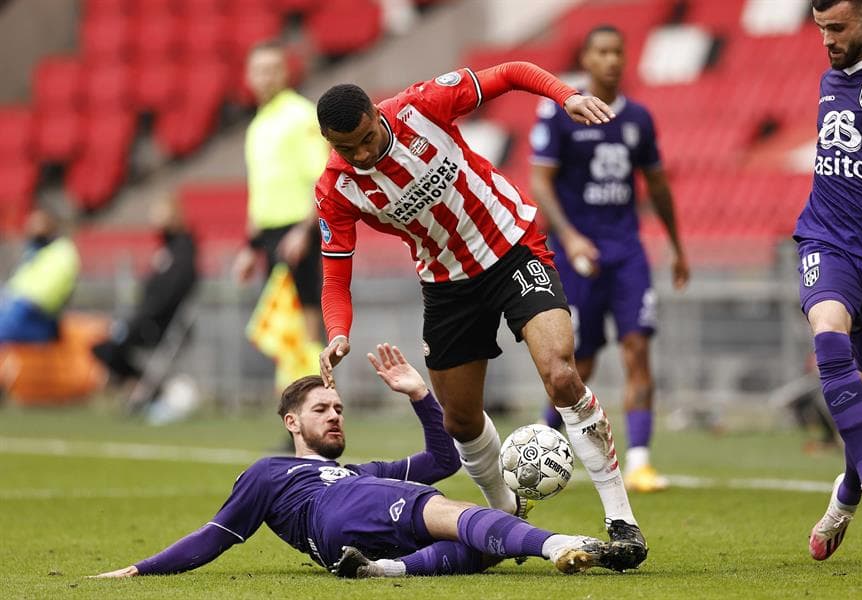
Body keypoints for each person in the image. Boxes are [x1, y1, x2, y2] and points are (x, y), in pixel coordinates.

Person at [314, 62, 646, 568]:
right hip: (447, 285)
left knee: (561, 375)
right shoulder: (335, 189)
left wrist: (566, 96)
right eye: (346, 148)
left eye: (365, 139)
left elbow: (511, 72)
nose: (360, 154)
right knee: (460, 418)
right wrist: (339, 333)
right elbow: (335, 278)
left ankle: (622, 522)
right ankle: (506, 512)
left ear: (376, 115)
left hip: (512, 247)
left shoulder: (422, 106)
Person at [91, 344, 631, 579]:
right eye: (321, 410)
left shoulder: (359, 472)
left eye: (339, 409)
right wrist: (141, 569)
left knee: (480, 546)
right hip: (339, 509)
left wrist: (419, 394)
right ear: (291, 423)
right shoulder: (271, 472)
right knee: (458, 514)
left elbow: (442, 457)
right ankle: (559, 544)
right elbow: (216, 534)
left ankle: (385, 570)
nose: (334, 416)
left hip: (346, 535)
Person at [530, 25, 689, 493]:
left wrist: (677, 246)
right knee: (577, 363)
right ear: (586, 58)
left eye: (618, 51)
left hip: (626, 252)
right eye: (601, 52)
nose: (612, 60)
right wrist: (570, 237)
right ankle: (543, 440)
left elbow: (657, 185)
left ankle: (639, 462)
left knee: (637, 348)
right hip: (578, 254)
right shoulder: (560, 112)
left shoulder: (638, 118)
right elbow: (541, 182)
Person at [797, 0, 862, 561]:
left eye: (836, 28)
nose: (827, 40)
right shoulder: (829, 78)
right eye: (820, 29)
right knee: (828, 329)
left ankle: (846, 496)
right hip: (827, 241)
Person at [232, 40, 330, 353]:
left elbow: (322, 178)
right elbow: (260, 189)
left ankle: (316, 379)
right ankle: (293, 381)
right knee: (281, 322)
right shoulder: (257, 125)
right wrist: (251, 246)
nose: (266, 77)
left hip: (299, 229)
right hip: (270, 234)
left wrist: (304, 230)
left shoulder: (301, 116)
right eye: (259, 70)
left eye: (272, 69)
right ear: (248, 76)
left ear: (285, 73)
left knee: (307, 311)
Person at [92, 195, 198, 381]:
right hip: (145, 319)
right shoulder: (168, 251)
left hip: (157, 324)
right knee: (102, 347)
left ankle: (147, 386)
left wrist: (138, 320)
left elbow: (166, 296)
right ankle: (143, 385)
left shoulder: (181, 253)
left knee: (109, 348)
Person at [0, 208, 80, 343]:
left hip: (39, 318)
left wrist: (16, 301)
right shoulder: (35, 252)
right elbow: (16, 284)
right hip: (20, 312)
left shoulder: (62, 251)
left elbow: (43, 295)